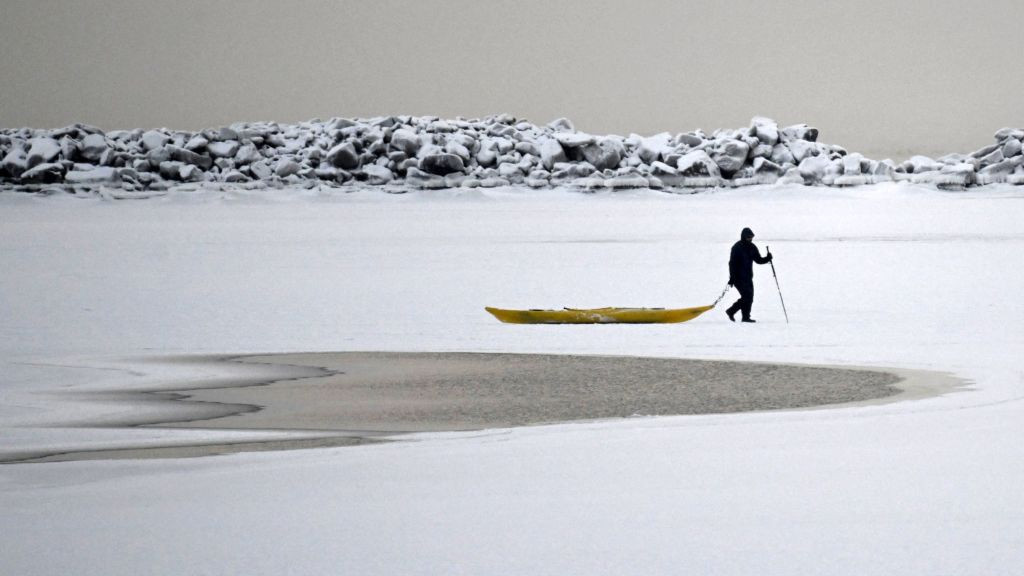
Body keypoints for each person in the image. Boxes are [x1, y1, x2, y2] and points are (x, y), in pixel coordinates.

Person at [726, 227, 772, 323]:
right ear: (743, 236)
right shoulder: (736, 247)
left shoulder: (752, 247)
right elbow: (732, 264)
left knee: (749, 298)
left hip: (748, 277)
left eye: (751, 237)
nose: (750, 239)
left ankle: (745, 317)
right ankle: (731, 311)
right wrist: (732, 278)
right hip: (738, 278)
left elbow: (758, 260)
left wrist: (767, 258)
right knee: (747, 297)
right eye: (748, 237)